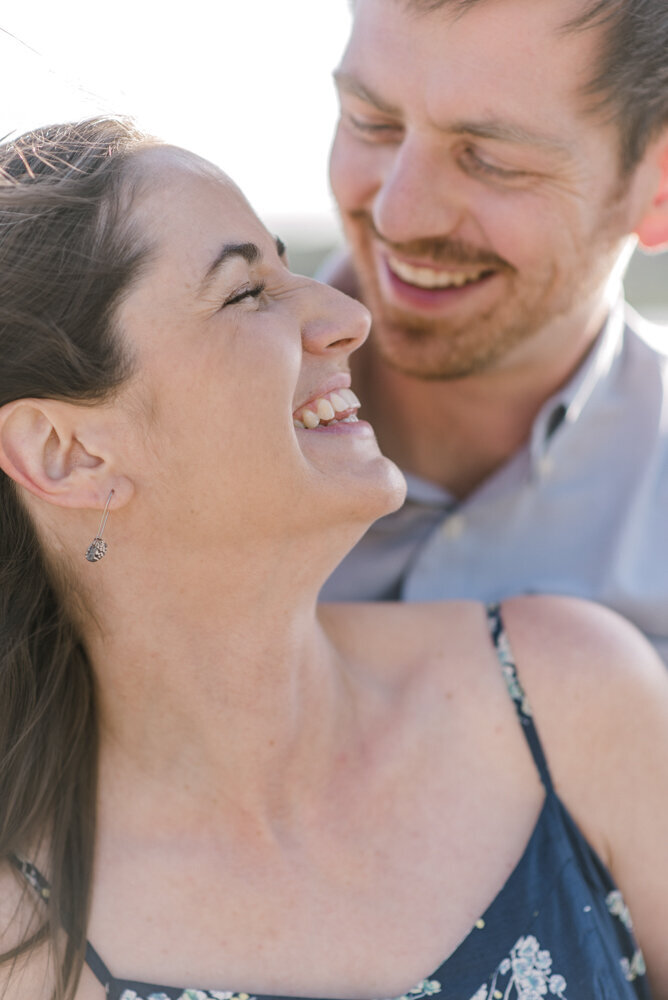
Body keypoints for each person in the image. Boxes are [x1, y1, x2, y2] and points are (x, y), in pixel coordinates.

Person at [0, 117, 667, 1000]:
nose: (349, 318)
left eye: (290, 269)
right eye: (245, 294)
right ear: (69, 454)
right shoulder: (23, 940)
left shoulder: (573, 696)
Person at [320, 0, 668, 665]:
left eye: (492, 162)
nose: (399, 214)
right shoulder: (149, 442)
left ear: (658, 190)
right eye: (371, 123)